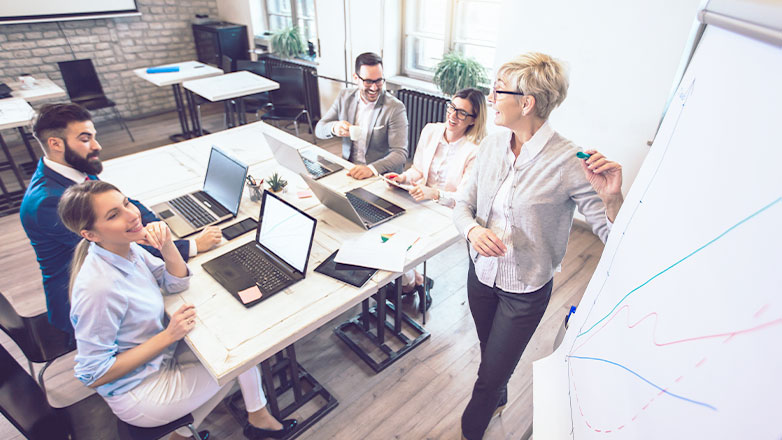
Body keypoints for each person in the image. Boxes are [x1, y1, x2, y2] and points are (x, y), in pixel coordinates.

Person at [452, 53, 624, 440]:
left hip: (524, 292)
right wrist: (472, 232)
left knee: (487, 377)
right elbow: (462, 204)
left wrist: (612, 199)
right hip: (480, 275)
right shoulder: (493, 146)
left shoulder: (570, 162)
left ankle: (471, 429)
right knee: (489, 355)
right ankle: (498, 390)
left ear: (526, 102)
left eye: (498, 90)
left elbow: (613, 238)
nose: (491, 97)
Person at [58, 180, 297, 440]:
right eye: (114, 215)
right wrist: (169, 335)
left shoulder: (125, 248)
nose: (132, 215)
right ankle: (256, 420)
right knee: (243, 356)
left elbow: (174, 282)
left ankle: (234, 423)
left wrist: (167, 244)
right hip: (140, 391)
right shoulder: (99, 288)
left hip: (159, 359)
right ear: (90, 234)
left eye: (126, 203)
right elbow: (93, 374)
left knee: (235, 345)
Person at [19, 103, 222, 334]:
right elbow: (117, 245)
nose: (97, 146)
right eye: (85, 139)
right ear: (55, 144)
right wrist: (193, 245)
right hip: (90, 306)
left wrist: (154, 226)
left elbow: (127, 201)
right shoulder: (48, 202)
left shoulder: (76, 168)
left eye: (94, 136)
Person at [385, 87, 488, 302]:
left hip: (447, 212)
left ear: (473, 119)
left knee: (403, 242)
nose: (453, 116)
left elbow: (464, 197)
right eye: (452, 108)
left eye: (462, 113)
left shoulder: (476, 150)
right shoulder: (431, 130)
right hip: (418, 199)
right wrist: (403, 178)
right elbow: (419, 171)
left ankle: (407, 284)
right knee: (387, 230)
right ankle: (416, 282)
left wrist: (433, 194)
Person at [315, 52, 409, 179]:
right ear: (355, 78)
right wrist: (334, 127)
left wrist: (371, 169)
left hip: (380, 175)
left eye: (379, 80)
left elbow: (400, 153)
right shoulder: (345, 97)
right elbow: (319, 129)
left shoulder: (395, 108)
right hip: (350, 169)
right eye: (368, 81)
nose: (374, 88)